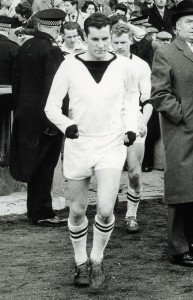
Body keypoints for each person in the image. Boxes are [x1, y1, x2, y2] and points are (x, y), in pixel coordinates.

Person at [45, 12, 139, 289]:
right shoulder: (69, 66)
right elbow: (50, 106)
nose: (101, 44)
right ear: (84, 38)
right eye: (95, 39)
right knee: (77, 210)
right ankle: (79, 261)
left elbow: (133, 96)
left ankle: (96, 259)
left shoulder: (124, 66)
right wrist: (67, 125)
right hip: (79, 144)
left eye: (105, 39)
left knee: (108, 209)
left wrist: (130, 126)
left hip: (111, 143)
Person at [9, 9, 67, 227]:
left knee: (34, 163)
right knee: (45, 165)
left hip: (25, 114)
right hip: (45, 116)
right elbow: (55, 88)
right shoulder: (52, 50)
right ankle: (42, 212)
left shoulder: (26, 46)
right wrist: (55, 121)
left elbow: (17, 83)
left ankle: (34, 210)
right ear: (57, 26)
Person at [150, 0, 193, 267]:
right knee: (181, 190)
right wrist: (183, 117)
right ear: (177, 27)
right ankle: (178, 248)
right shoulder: (166, 53)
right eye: (189, 22)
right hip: (182, 131)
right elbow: (160, 94)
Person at [111, 22, 152, 233]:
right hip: (108, 122)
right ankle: (107, 214)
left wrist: (143, 121)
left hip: (133, 120)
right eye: (115, 42)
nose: (119, 46)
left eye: (123, 42)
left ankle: (131, 215)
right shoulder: (103, 63)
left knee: (134, 173)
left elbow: (148, 100)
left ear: (130, 42)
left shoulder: (141, 66)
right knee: (109, 172)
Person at [0, 16, 19, 167]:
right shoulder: (13, 47)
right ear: (8, 29)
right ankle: (4, 156)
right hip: (8, 96)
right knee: (6, 127)